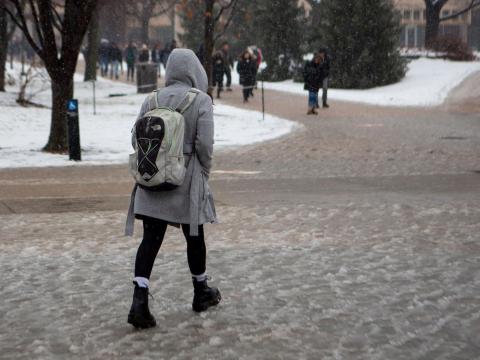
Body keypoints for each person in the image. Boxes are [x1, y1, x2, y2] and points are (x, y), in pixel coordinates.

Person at [126, 48, 221, 329]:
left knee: (151, 240)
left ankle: (139, 300)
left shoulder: (151, 99)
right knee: (195, 236)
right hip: (186, 179)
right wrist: (203, 170)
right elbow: (205, 145)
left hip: (153, 179)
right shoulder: (201, 100)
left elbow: (135, 139)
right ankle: (201, 291)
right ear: (194, 71)